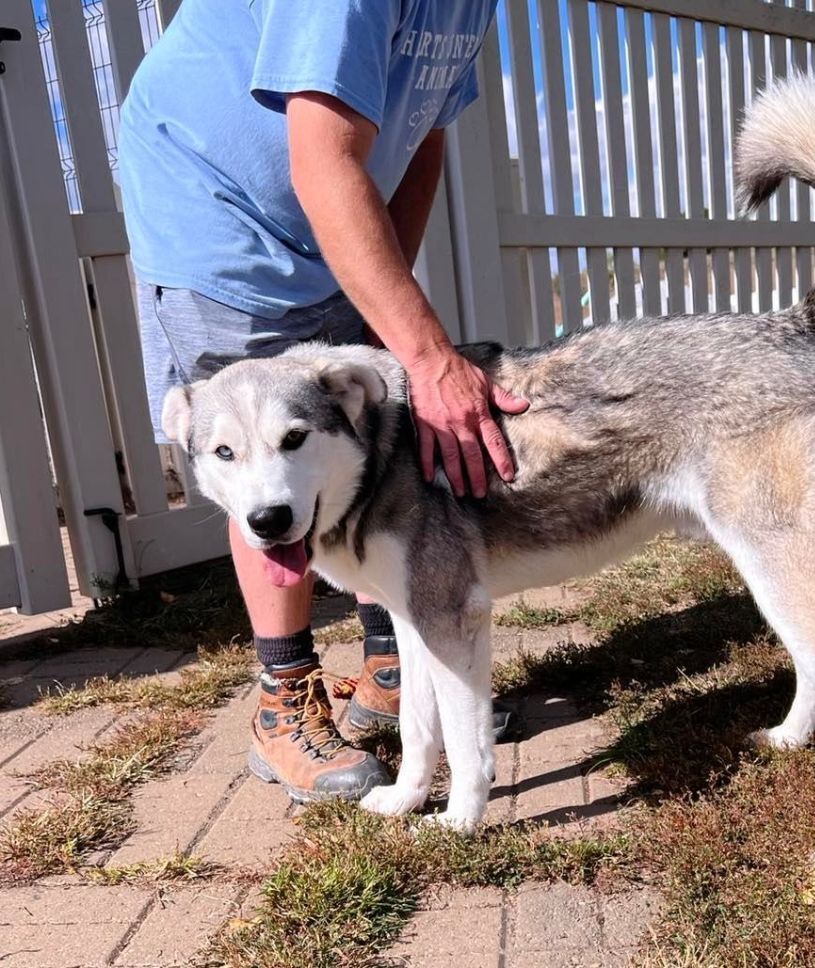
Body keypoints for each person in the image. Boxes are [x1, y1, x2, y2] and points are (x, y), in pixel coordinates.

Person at [119, 0, 523, 802]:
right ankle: (284, 700)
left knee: (346, 441)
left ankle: (389, 668)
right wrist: (423, 354)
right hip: (219, 211)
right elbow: (321, 161)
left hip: (325, 208)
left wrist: (377, 310)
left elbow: (419, 143)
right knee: (263, 452)